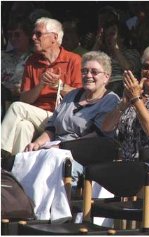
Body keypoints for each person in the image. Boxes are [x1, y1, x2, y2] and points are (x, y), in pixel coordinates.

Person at [10, 51, 120, 221]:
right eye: (84, 71)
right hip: (56, 147)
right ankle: (22, 207)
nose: (87, 75)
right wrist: (37, 143)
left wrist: (63, 147)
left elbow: (98, 135)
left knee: (52, 157)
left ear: (106, 77)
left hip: (83, 154)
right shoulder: (71, 95)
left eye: (94, 72)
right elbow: (52, 128)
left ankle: (45, 214)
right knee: (28, 156)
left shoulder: (110, 100)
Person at [1, 17, 82, 156]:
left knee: (16, 107)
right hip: (36, 115)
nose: (33, 37)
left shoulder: (73, 60)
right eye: (33, 34)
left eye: (38, 34)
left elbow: (81, 96)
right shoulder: (32, 61)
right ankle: (16, 168)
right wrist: (41, 85)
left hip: (60, 117)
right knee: (23, 126)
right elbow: (25, 100)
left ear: (54, 38)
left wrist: (59, 86)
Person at [1, 19, 33, 119]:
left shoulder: (34, 59)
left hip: (20, 100)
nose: (13, 38)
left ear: (28, 36)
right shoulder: (2, 56)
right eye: (10, 35)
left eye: (17, 34)